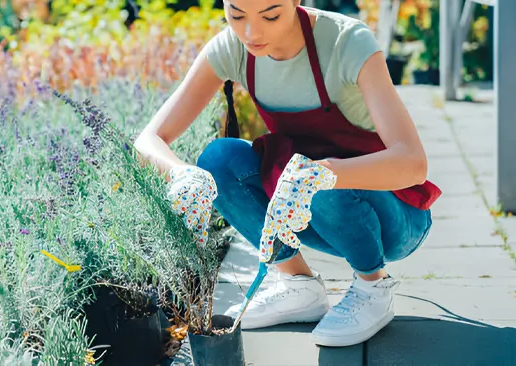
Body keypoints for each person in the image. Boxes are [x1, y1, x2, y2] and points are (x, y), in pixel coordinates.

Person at [134, 0, 441, 347]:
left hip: (395, 218)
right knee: (217, 160)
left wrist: (324, 173)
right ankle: (299, 286)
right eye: (236, 15)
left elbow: (413, 163)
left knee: (314, 176)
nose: (251, 32)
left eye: (271, 15)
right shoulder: (233, 48)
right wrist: (180, 174)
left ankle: (373, 286)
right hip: (311, 208)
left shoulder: (347, 42)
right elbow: (148, 139)